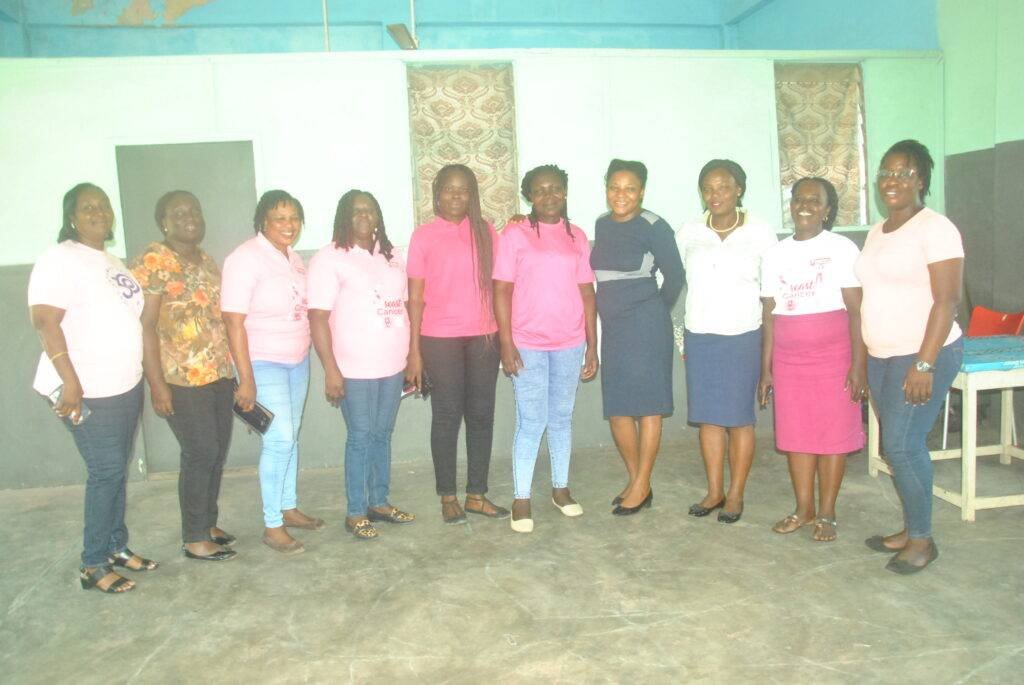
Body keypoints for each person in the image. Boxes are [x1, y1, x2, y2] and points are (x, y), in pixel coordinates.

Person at [28, 183, 157, 593]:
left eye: (103, 207)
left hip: (122, 384)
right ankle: (92, 563)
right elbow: (45, 321)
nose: (98, 213)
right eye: (88, 207)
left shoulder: (112, 261)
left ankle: (117, 546)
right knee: (105, 471)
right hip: (84, 388)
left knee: (116, 468)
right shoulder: (59, 259)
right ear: (71, 217)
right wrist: (70, 381)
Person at [856, 140, 964, 574]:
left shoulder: (936, 229)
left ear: (921, 180)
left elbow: (947, 301)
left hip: (921, 355)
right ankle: (910, 527)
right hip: (882, 355)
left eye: (903, 173)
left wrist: (924, 363)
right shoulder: (878, 230)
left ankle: (922, 539)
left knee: (902, 446)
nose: (892, 180)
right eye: (886, 172)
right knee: (895, 446)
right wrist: (863, 360)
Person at [758, 177, 866, 542]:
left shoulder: (842, 248)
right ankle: (803, 509)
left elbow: (856, 311)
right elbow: (769, 314)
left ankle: (827, 513)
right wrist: (766, 369)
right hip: (789, 360)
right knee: (797, 436)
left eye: (814, 200)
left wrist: (858, 364)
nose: (804, 205)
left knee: (832, 436)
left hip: (835, 356)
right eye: (798, 199)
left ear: (827, 209)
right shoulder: (775, 254)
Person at [131, 191, 237, 562]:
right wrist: (156, 383)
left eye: (195, 210)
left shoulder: (207, 261)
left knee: (217, 451)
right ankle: (194, 538)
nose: (190, 217)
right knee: (200, 451)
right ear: (164, 221)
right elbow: (144, 325)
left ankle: (207, 522)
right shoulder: (154, 259)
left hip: (219, 374)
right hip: (180, 378)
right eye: (179, 212)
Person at [494, 165, 599, 533]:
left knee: (561, 417)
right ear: (529, 196)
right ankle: (521, 497)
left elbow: (587, 291)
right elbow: (502, 290)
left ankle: (560, 488)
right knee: (531, 420)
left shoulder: (577, 236)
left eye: (556, 189)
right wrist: (506, 343)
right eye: (540, 190)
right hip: (528, 343)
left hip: (570, 342)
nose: (549, 196)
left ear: (565, 192)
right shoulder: (515, 234)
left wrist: (592, 345)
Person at [308, 190, 416, 541]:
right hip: (353, 368)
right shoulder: (330, 258)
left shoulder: (393, 256)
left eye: (370, 210)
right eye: (356, 211)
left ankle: (379, 503)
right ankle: (356, 511)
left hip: (392, 363)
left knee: (383, 434)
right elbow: (319, 318)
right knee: (360, 437)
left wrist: (413, 357)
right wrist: (330, 369)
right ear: (344, 216)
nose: (364, 216)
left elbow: (405, 307)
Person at [405, 164, 509, 523]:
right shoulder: (423, 236)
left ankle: (477, 494)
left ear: (472, 195)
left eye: (463, 190)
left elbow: (501, 285)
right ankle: (448, 496)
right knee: (447, 416)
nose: (455, 196)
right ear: (437, 194)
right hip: (438, 339)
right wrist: (413, 350)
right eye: (448, 189)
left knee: (481, 416)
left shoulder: (486, 232)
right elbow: (414, 297)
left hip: (484, 336)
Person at [676, 159, 777, 524]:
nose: (715, 194)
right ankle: (714, 490)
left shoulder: (761, 231)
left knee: (738, 420)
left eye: (723, 187)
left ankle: (736, 493)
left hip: (743, 335)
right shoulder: (689, 231)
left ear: (739, 190)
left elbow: (771, 294)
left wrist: (769, 350)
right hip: (701, 335)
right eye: (708, 188)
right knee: (708, 420)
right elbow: (672, 276)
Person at [222, 189, 322, 554]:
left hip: (296, 360)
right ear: (263, 220)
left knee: (290, 435)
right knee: (278, 439)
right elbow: (233, 322)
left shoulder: (293, 259)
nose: (288, 225)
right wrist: (245, 377)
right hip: (263, 361)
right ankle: (272, 524)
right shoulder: (245, 259)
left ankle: (288, 506)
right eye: (280, 218)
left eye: (294, 218)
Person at [589, 159, 684, 516]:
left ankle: (642, 483)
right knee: (618, 409)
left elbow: (674, 276)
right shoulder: (601, 223)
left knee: (647, 408)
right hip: (614, 329)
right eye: (615, 187)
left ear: (642, 190)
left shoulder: (654, 226)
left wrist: (653, 311)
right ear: (607, 188)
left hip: (646, 326)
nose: (621, 195)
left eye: (630, 188)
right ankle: (637, 480)